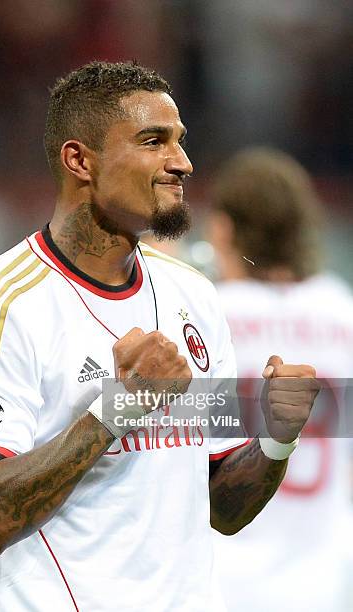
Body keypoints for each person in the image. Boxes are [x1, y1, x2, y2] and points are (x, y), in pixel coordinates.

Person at [0, 62, 319, 612]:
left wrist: (278, 440)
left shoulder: (194, 297)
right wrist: (118, 409)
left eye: (180, 142)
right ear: (80, 161)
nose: (182, 163)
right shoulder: (2, 305)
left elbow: (223, 510)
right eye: (152, 141)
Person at [208, 146, 353, 612]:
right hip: (326, 581)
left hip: (222, 578)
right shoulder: (343, 311)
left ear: (225, 228)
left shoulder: (207, 316)